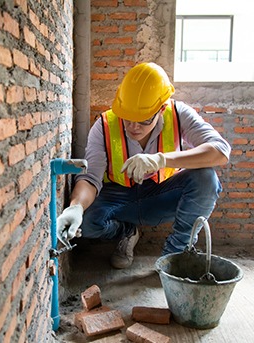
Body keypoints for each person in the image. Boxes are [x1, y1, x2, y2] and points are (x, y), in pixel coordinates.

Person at [56, 62, 231, 269]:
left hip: (160, 195)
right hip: (118, 199)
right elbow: (90, 178)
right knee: (86, 223)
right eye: (128, 118)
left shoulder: (178, 114)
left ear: (161, 109)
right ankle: (127, 232)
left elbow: (220, 151)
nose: (134, 127)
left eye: (143, 120)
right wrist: (76, 207)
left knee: (206, 178)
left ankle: (174, 257)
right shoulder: (104, 126)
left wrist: (162, 160)